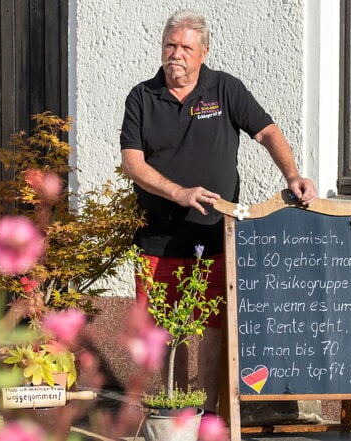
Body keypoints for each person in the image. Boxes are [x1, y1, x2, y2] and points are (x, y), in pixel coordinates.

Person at [119, 9, 316, 413]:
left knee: (211, 327)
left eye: (186, 48)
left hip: (215, 234)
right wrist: (178, 193)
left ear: (203, 52)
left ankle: (208, 412)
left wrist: (293, 175)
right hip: (157, 236)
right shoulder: (142, 96)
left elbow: (267, 132)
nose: (176, 54)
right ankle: (176, 411)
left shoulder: (224, 89)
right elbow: (133, 164)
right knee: (164, 331)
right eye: (170, 45)